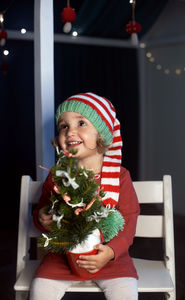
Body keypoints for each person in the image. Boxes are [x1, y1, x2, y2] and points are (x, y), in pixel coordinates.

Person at [30, 92, 140, 300]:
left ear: (102, 134)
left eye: (81, 123)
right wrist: (42, 217)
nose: (70, 131)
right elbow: (42, 208)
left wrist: (112, 251)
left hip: (108, 259)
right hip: (61, 258)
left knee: (125, 292)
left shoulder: (119, 177)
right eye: (64, 126)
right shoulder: (57, 176)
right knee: (40, 290)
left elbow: (130, 218)